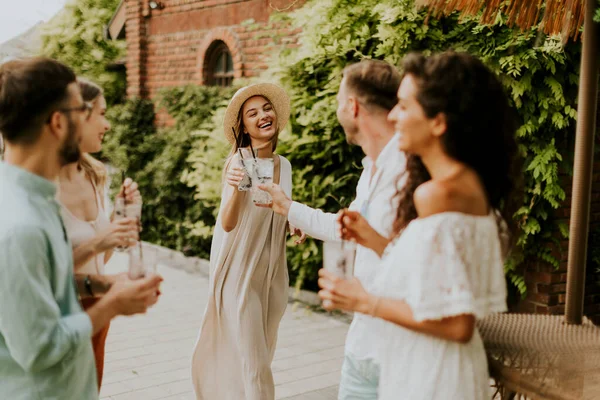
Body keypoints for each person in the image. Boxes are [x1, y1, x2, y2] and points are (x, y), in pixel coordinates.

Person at [318, 51, 523, 400]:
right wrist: (374, 241)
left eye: (404, 106)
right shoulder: (467, 184)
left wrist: (365, 301)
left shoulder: (438, 194)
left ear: (438, 122)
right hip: (436, 367)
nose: (394, 116)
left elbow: (458, 324)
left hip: (434, 376)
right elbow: (435, 280)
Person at [0, 57, 163, 400]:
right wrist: (113, 305)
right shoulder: (20, 223)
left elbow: (43, 280)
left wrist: (105, 283)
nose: (95, 122)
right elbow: (39, 349)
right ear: (59, 123)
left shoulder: (34, 197)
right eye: (81, 111)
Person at [259, 60, 404, 399]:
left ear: (352, 107)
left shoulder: (407, 169)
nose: (338, 109)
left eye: (339, 102)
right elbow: (345, 229)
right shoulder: (372, 170)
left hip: (400, 348)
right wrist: (287, 206)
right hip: (362, 344)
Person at [191, 83, 305, 400]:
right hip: (239, 272)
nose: (262, 115)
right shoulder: (238, 163)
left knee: (261, 355)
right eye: (252, 113)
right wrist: (236, 184)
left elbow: (277, 210)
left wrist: (295, 223)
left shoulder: (284, 166)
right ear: (243, 126)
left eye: (266, 108)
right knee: (256, 367)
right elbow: (228, 223)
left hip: (271, 274)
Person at [57, 77, 142, 389]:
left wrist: (121, 216)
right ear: (79, 115)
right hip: (61, 320)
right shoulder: (41, 185)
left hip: (96, 314)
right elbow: (37, 271)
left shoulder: (94, 175)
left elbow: (101, 257)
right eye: (103, 114)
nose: (108, 124)